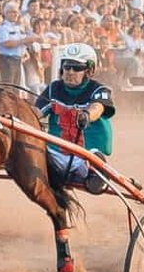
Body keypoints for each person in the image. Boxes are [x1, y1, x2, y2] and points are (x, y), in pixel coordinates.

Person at [35, 43, 115, 195]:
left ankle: (98, 175)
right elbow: (36, 112)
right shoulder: (54, 88)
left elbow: (97, 108)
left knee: (93, 158)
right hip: (55, 152)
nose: (70, 72)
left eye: (77, 68)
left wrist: (87, 115)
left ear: (90, 70)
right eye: (67, 66)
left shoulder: (99, 90)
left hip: (85, 154)